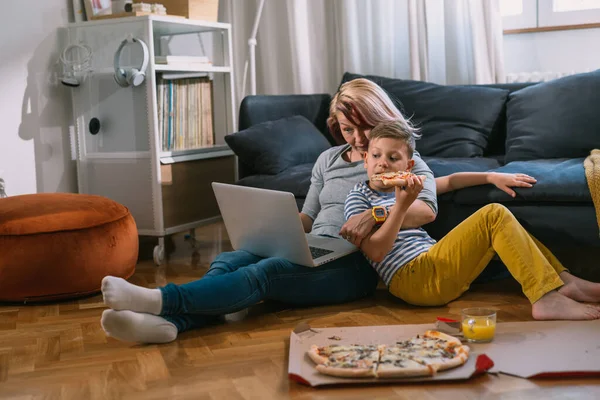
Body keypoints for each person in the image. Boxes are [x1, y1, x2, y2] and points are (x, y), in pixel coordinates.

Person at [99, 78, 440, 344]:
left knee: (268, 271)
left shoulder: (398, 159)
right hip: (314, 246)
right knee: (232, 259)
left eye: (364, 126)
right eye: (347, 129)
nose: (359, 138)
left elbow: (425, 210)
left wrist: (374, 215)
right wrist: (276, 224)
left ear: (380, 117)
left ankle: (161, 301)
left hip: (354, 263)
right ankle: (175, 324)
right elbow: (308, 217)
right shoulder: (327, 160)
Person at [344, 121, 600, 320]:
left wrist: (490, 176)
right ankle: (545, 296)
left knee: (502, 223)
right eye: (376, 156)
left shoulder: (411, 187)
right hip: (412, 280)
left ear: (408, 166)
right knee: (493, 215)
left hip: (433, 264)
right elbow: (376, 252)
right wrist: (400, 207)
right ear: (365, 159)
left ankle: (564, 283)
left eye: (393, 158)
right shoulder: (358, 196)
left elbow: (451, 181)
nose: (382, 164)